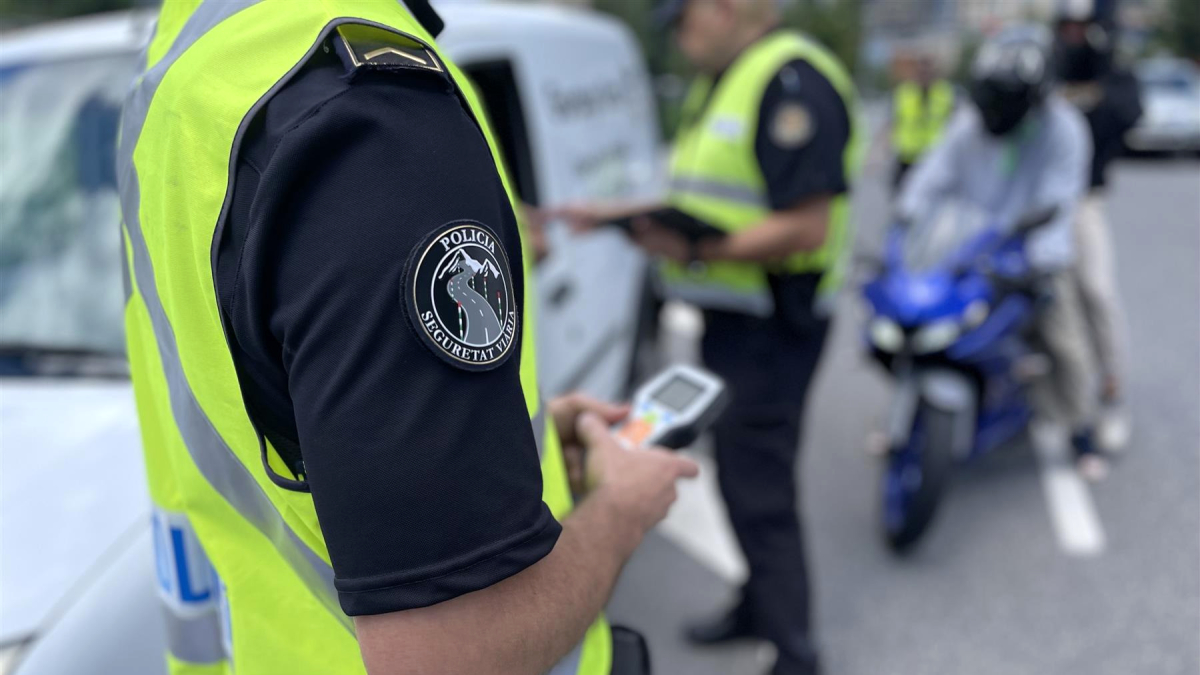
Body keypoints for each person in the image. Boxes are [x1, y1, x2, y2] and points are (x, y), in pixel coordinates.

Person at [116, 2, 699, 674]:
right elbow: (456, 653)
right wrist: (619, 510)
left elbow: (251, 403)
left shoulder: (186, 64)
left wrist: (500, 447)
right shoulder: (372, 115)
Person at [553, 0, 860, 672]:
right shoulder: (727, 77)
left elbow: (806, 227)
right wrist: (612, 214)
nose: (679, 40)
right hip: (734, 320)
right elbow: (706, 198)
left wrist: (693, 253)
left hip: (773, 326)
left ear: (722, 8)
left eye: (682, 22)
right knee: (745, 478)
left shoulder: (791, 82)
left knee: (760, 489)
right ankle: (757, 605)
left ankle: (796, 652)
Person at [897, 27, 1104, 477]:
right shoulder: (969, 122)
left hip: (1030, 253)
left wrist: (1037, 265)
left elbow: (1057, 205)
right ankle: (907, 417)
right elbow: (932, 176)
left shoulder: (1063, 130)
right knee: (918, 323)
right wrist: (906, 220)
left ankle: (1081, 428)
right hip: (971, 246)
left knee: (1063, 339)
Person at [1054, 0, 1141, 458]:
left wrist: (1101, 72)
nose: (1072, 34)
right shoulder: (1049, 68)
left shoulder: (1111, 76)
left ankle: (1111, 392)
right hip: (1041, 204)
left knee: (1096, 291)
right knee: (1047, 306)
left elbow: (1128, 113)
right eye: (1066, 25)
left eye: (1081, 26)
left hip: (1083, 202)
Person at [889, 53, 956, 191]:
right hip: (907, 156)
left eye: (928, 71)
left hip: (934, 156)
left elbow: (954, 123)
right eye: (922, 71)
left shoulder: (945, 93)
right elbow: (893, 121)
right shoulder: (904, 92)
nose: (925, 75)